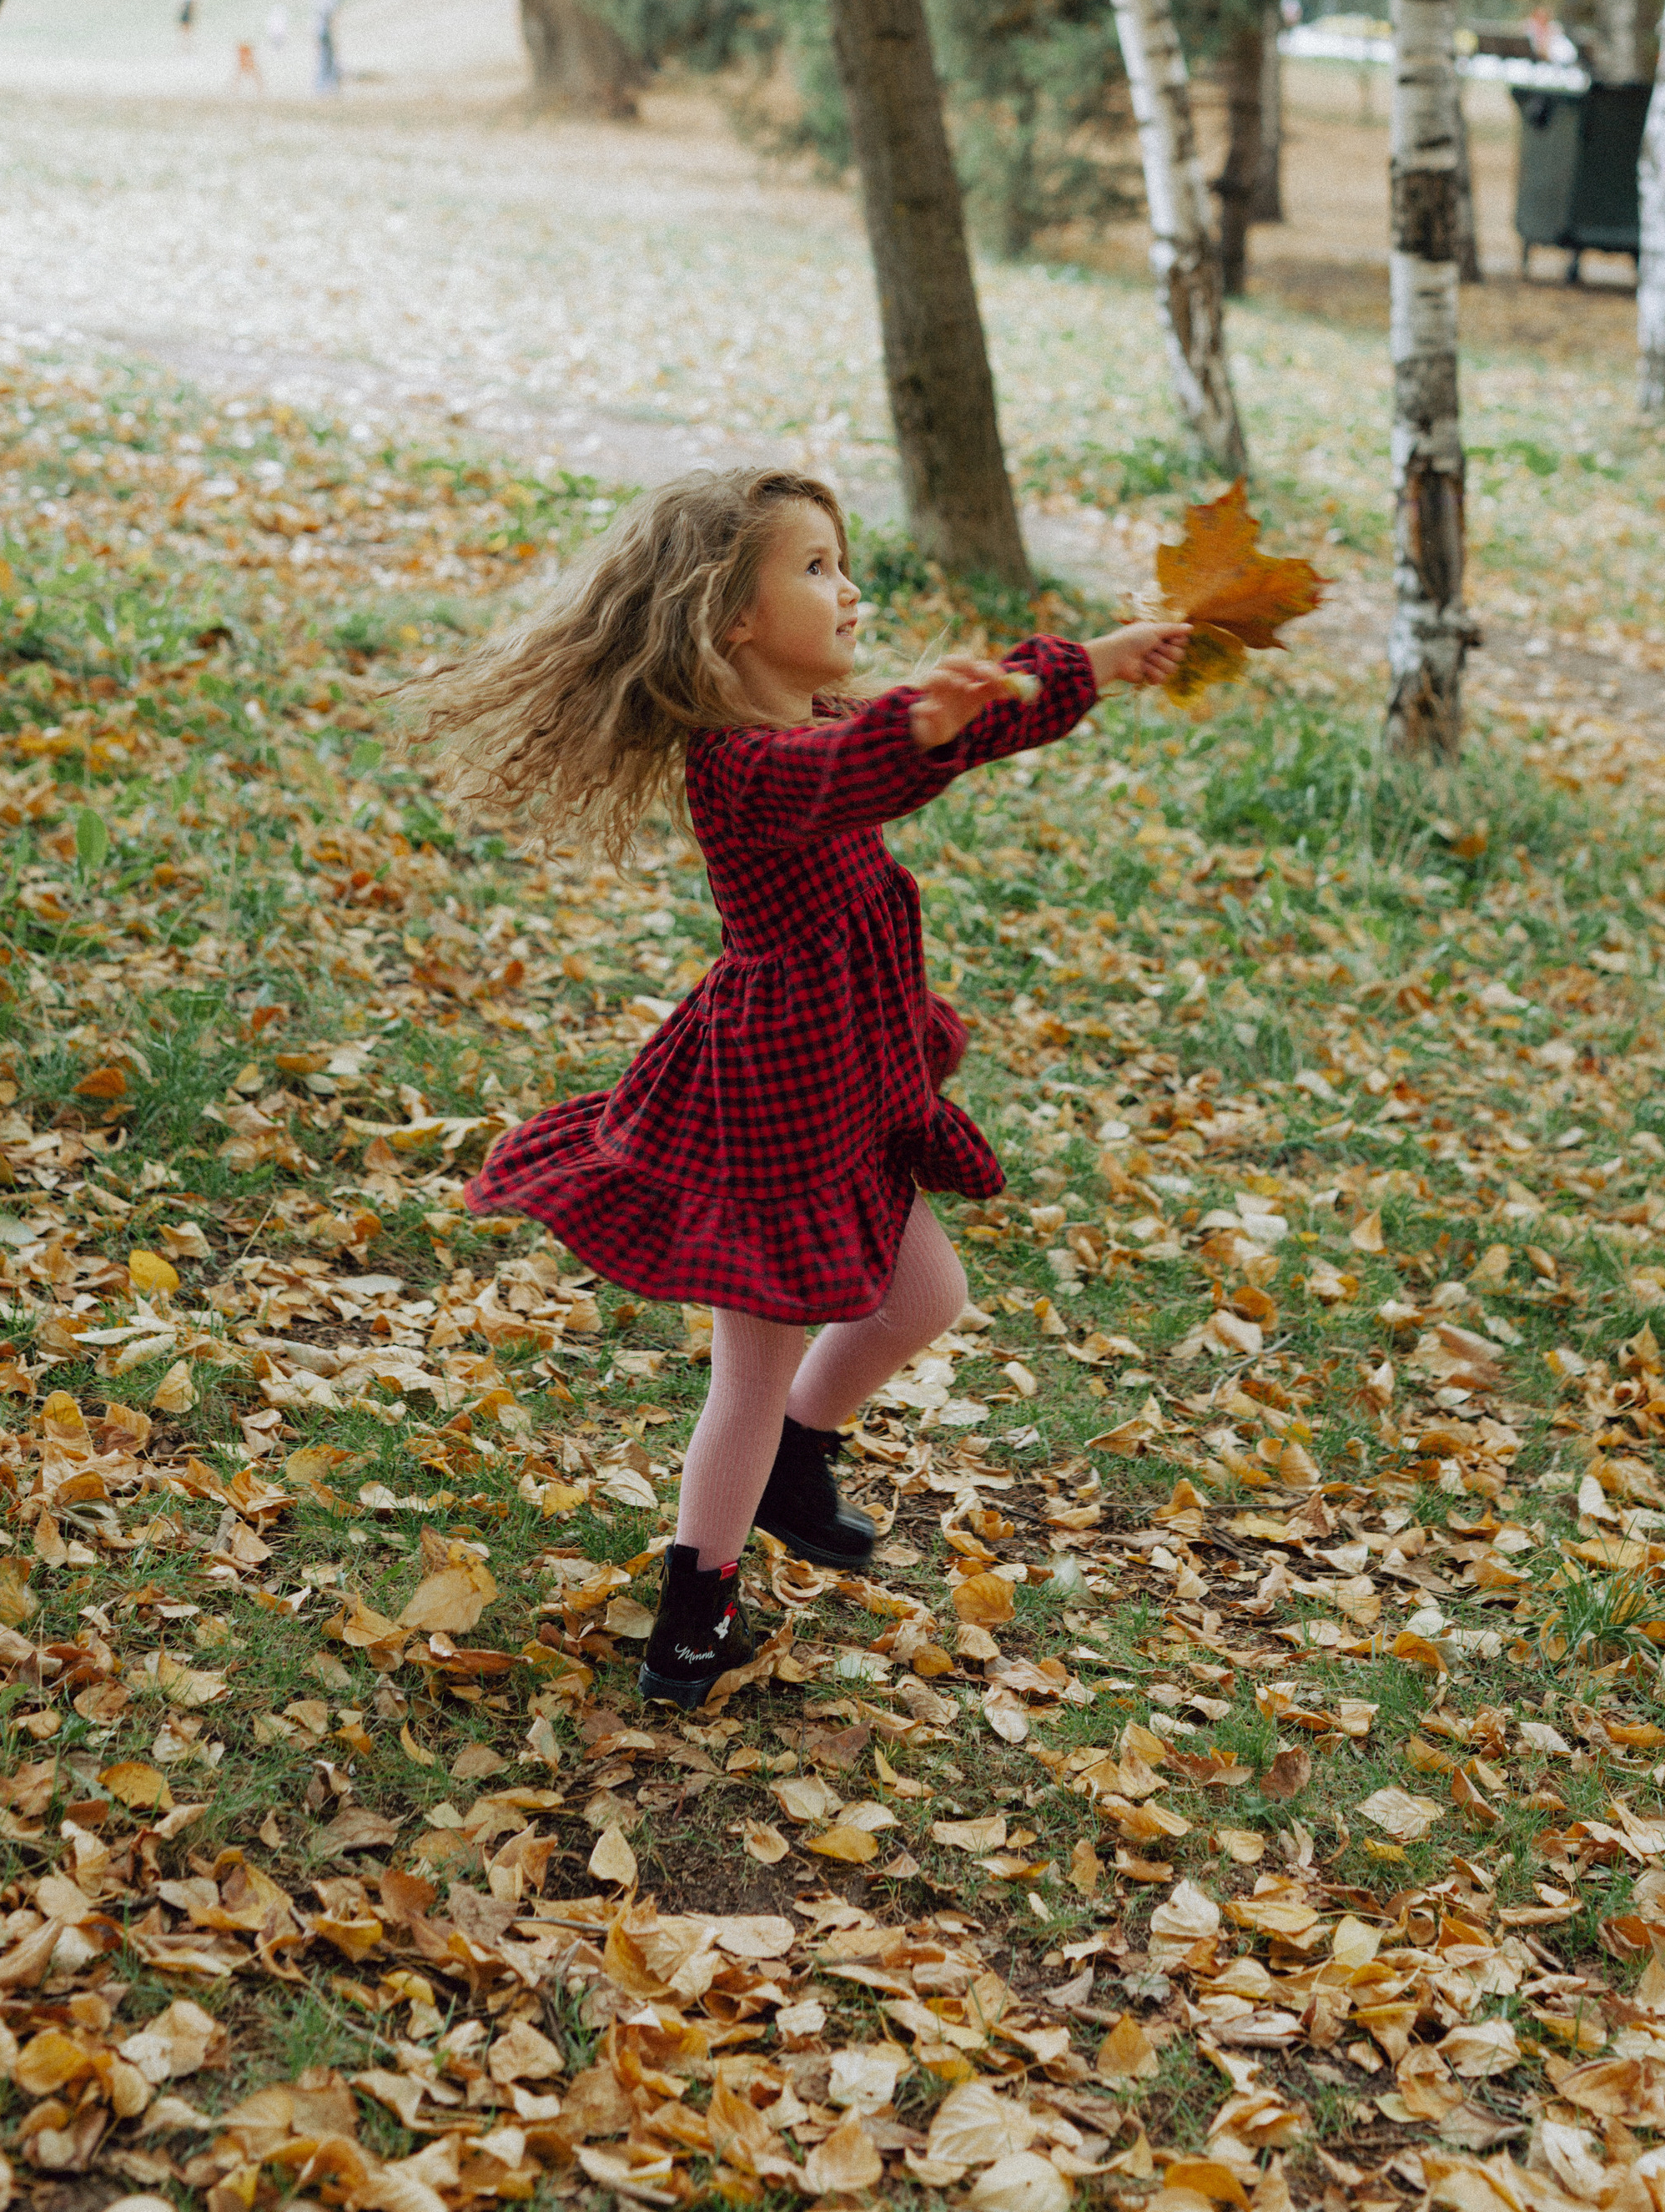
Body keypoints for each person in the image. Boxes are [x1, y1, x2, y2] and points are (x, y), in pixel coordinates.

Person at [415, 468, 1189, 1709]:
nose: (849, 587)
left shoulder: (818, 726)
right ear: (732, 615)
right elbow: (867, 775)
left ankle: (796, 1464)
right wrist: (921, 725)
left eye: (844, 562)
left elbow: (938, 739)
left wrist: (1092, 660)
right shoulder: (742, 768)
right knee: (752, 1376)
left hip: (850, 1088)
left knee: (924, 1295)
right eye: (816, 567)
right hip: (771, 1105)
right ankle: (691, 1621)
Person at [311, 0, 340, 93]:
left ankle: (324, 85)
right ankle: (324, 86)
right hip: (324, 28)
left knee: (326, 57)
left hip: (321, 28)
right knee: (326, 57)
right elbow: (328, 12)